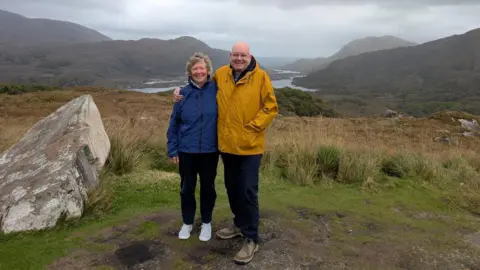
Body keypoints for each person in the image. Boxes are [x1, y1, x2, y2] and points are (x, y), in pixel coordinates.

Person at [173, 42, 278, 265]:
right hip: (228, 147)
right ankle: (239, 225)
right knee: (232, 188)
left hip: (250, 146)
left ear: (250, 56)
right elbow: (198, 85)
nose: (239, 58)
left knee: (248, 190)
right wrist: (179, 92)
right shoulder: (221, 75)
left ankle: (251, 238)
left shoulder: (261, 77)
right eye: (235, 55)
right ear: (230, 56)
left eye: (243, 55)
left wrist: (254, 126)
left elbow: (271, 106)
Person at [166, 52, 219, 242]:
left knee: (208, 188)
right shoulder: (182, 95)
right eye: (195, 68)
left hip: (210, 150)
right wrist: (172, 149)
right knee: (186, 188)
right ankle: (187, 222)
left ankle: (206, 223)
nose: (199, 71)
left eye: (202, 68)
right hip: (186, 151)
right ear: (190, 71)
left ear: (208, 70)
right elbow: (174, 123)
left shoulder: (217, 89)